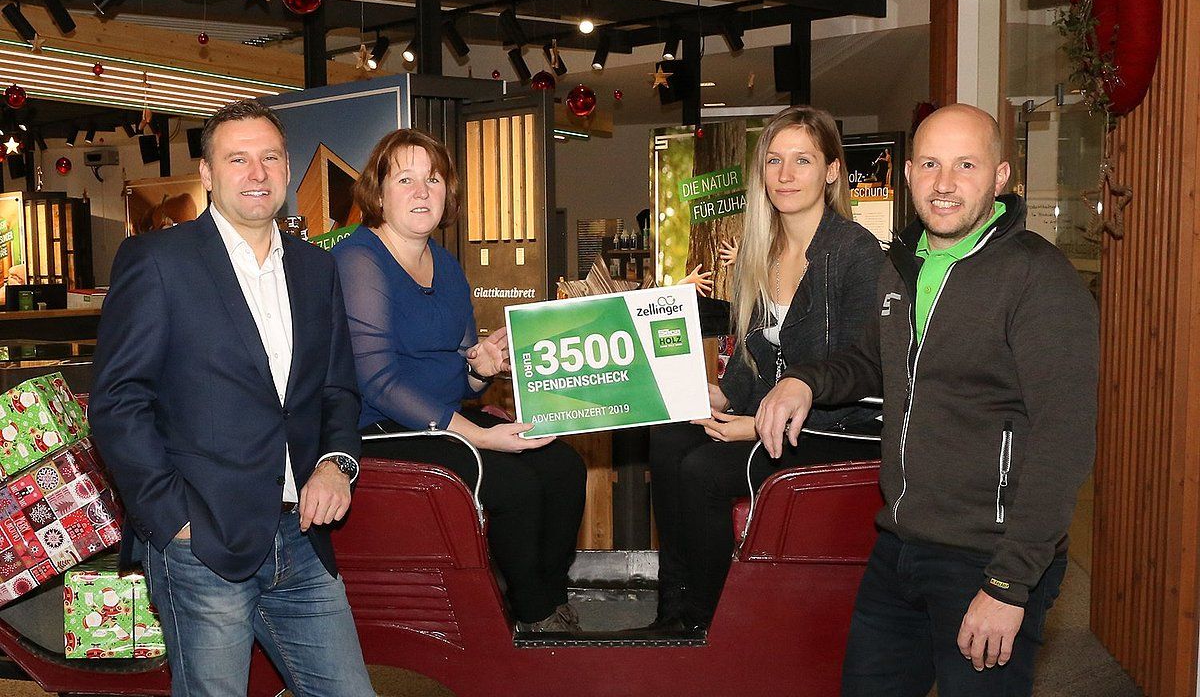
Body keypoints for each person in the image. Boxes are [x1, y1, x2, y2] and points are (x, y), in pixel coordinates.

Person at [755, 104, 1098, 696]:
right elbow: (869, 360)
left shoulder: (1038, 279)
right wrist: (804, 380)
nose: (944, 183)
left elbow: (1062, 442)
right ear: (909, 173)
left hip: (988, 558)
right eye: (932, 164)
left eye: (966, 165)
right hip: (899, 545)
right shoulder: (903, 267)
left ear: (1000, 177)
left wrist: (1010, 585)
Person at [89, 100, 374, 697]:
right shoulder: (158, 261)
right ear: (209, 173)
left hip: (301, 539)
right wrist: (173, 518)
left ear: (287, 167)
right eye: (237, 159)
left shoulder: (316, 269)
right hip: (204, 544)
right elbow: (118, 401)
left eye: (270, 157)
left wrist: (337, 464)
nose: (257, 172)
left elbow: (336, 389)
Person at [331, 129, 586, 633]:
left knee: (563, 466)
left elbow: (463, 373)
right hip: (383, 429)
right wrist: (480, 436)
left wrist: (479, 367)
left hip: (444, 422)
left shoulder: (445, 264)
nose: (422, 191)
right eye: (405, 179)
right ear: (378, 193)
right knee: (511, 480)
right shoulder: (358, 260)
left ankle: (547, 599)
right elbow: (378, 383)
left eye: (433, 179)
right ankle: (534, 617)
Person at [648, 106, 884, 629]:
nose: (785, 175)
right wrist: (718, 396)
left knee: (703, 471)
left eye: (802, 160)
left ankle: (707, 625)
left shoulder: (855, 252)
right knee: (667, 440)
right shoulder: (762, 249)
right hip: (767, 418)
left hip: (832, 429)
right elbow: (753, 359)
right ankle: (672, 615)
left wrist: (753, 427)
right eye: (775, 161)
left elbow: (858, 369)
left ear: (831, 171)